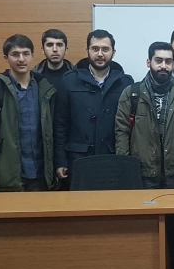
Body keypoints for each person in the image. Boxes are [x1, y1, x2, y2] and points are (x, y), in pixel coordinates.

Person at [0, 34, 56, 194]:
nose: (21, 59)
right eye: (15, 54)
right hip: (10, 177)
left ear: (32, 55)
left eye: (26, 53)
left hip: (42, 177)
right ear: (6, 58)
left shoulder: (45, 89)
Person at [53, 29, 134, 185]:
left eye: (105, 49)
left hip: (112, 157)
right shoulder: (69, 80)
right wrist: (60, 160)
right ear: (87, 51)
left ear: (113, 52)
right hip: (78, 158)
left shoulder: (125, 83)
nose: (100, 54)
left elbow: (130, 127)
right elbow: (60, 125)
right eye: (95, 49)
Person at [116, 42, 174, 189]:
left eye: (168, 61)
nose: (163, 66)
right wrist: (125, 166)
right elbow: (122, 132)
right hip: (142, 172)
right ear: (149, 62)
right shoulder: (132, 93)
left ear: (173, 64)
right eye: (158, 61)